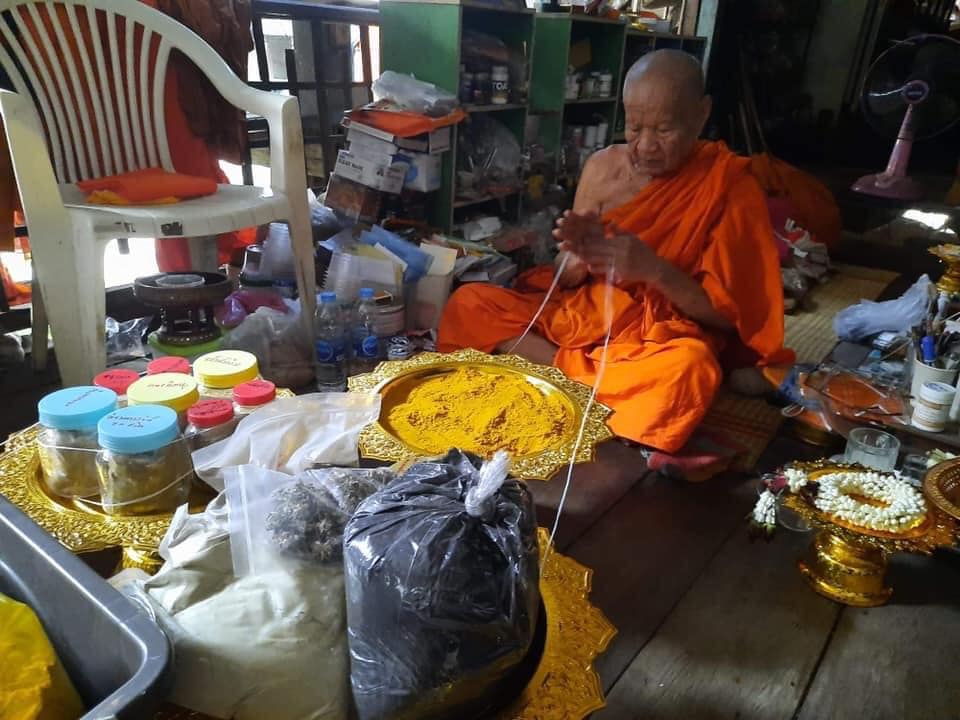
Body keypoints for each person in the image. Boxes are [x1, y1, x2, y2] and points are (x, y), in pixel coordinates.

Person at [438, 49, 793, 454]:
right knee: (467, 303)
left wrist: (654, 270)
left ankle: (556, 374)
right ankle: (584, 381)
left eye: (662, 129)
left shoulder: (727, 185)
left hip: (658, 334)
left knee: (690, 372)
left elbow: (730, 318)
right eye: (635, 126)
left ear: (701, 114)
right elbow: (565, 274)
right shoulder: (602, 167)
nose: (645, 146)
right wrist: (573, 260)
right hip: (583, 317)